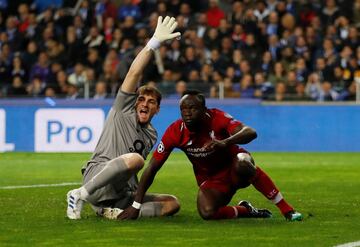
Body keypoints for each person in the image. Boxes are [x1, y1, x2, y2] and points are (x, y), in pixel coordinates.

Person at [119, 90, 303, 221]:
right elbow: (152, 168)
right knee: (207, 213)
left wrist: (225, 142)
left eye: (193, 108)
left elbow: (250, 132)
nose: (188, 113)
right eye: (183, 109)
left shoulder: (217, 118)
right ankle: (245, 210)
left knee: (243, 163)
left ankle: (287, 210)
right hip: (211, 179)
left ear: (204, 110)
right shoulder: (175, 132)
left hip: (234, 168)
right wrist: (136, 205)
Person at [66, 16, 181, 220]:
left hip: (120, 192)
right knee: (136, 159)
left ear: (157, 109)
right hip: (96, 180)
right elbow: (134, 73)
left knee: (172, 203)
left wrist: (136, 198)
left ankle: (112, 213)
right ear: (134, 102)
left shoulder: (151, 134)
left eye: (151, 102)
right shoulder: (123, 111)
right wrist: (153, 43)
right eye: (142, 99)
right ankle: (79, 194)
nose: (145, 103)